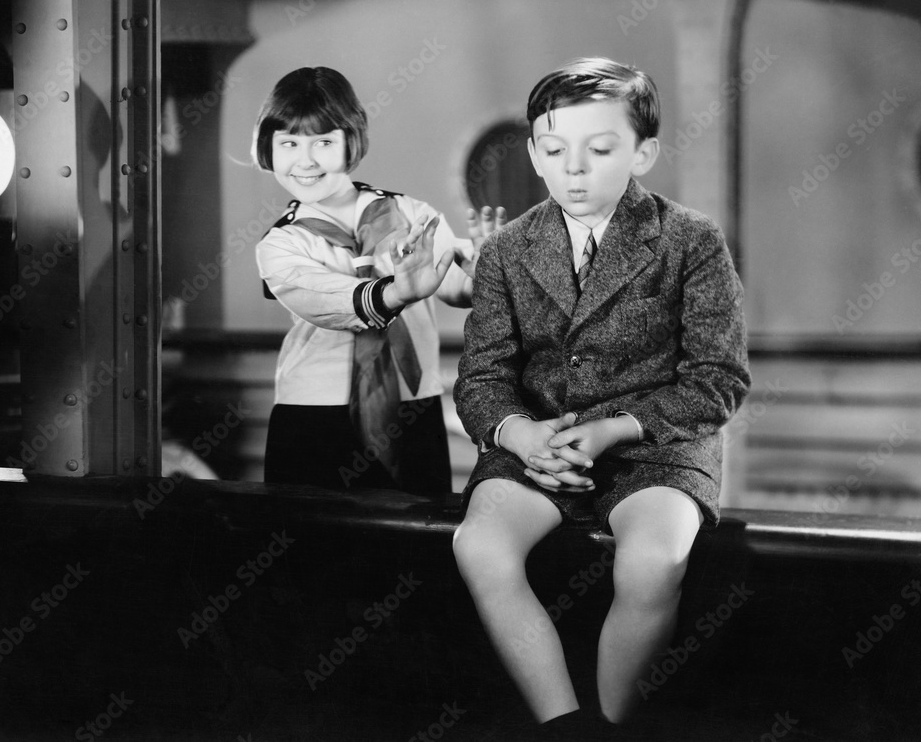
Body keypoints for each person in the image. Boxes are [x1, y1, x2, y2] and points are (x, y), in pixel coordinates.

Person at [451, 57, 751, 735]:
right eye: (554, 151)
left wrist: (616, 428)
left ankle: (614, 724)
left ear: (644, 150)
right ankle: (568, 727)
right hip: (536, 447)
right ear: (533, 151)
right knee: (480, 546)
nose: (574, 170)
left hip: (656, 447)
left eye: (600, 149)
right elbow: (480, 379)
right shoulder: (504, 250)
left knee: (653, 561)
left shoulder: (692, 239)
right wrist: (518, 434)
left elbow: (718, 379)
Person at [254, 66, 503, 494]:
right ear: (269, 149)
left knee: (417, 542)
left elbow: (453, 287)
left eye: (325, 142)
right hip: (314, 413)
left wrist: (486, 276)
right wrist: (395, 292)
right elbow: (329, 303)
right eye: (289, 143)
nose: (306, 160)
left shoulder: (412, 214)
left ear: (352, 141)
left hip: (411, 407)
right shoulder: (279, 244)